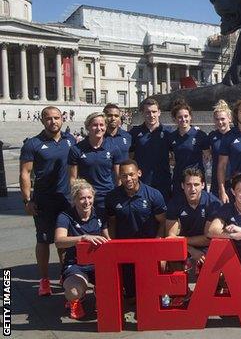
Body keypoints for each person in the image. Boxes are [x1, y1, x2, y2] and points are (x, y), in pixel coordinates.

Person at [20, 106, 76, 296]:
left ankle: (64, 273)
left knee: (65, 240)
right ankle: (44, 280)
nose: (53, 121)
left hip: (66, 199)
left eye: (56, 118)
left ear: (63, 119)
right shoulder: (33, 144)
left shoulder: (71, 140)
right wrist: (27, 200)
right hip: (43, 200)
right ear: (42, 121)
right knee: (43, 240)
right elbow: (25, 173)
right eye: (49, 118)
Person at [105, 160, 167, 299]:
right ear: (119, 177)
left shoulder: (153, 195)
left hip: (148, 248)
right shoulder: (112, 197)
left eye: (131, 174)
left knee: (150, 292)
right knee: (132, 294)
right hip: (125, 249)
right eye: (124, 175)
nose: (128, 179)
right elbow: (112, 223)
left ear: (139, 173)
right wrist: (113, 246)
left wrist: (158, 244)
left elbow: (163, 222)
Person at [55, 179, 110, 319]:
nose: (87, 202)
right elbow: (59, 241)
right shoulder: (65, 216)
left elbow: (108, 239)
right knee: (74, 291)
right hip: (76, 264)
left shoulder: (100, 214)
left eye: (89, 197)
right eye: (82, 198)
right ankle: (75, 299)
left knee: (114, 287)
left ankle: (100, 291)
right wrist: (83, 238)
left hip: (97, 263)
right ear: (74, 199)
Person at [165, 168, 221, 276]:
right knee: (171, 251)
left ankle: (213, 286)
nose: (192, 189)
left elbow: (208, 239)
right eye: (188, 184)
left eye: (196, 184)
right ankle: (181, 290)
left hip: (205, 246)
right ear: (182, 186)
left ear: (203, 185)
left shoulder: (213, 203)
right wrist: (191, 250)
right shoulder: (174, 203)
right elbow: (171, 237)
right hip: (184, 245)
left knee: (215, 258)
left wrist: (183, 240)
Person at [68, 112, 122, 218]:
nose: (98, 128)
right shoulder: (76, 149)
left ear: (106, 127)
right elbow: (72, 178)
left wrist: (120, 196)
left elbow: (118, 176)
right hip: (86, 198)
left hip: (107, 196)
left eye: (102, 125)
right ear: (88, 127)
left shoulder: (113, 148)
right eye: (94, 125)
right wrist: (75, 198)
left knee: (108, 229)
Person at [129, 98, 173, 200]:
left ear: (159, 112)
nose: (151, 115)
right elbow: (130, 156)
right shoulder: (135, 132)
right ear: (143, 114)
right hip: (141, 182)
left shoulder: (168, 132)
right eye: (148, 112)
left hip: (163, 182)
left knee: (163, 214)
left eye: (154, 112)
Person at [168, 98, 210, 196]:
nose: (183, 119)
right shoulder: (171, 137)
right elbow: (171, 157)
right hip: (179, 180)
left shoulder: (200, 135)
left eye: (186, 116)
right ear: (174, 119)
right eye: (180, 117)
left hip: (196, 180)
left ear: (190, 117)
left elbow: (207, 156)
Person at [206, 100, 232, 196]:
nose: (220, 122)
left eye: (222, 119)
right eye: (217, 119)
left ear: (229, 118)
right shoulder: (212, 136)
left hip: (234, 180)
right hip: (216, 181)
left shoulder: (236, 135)